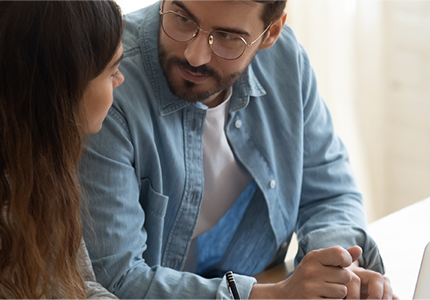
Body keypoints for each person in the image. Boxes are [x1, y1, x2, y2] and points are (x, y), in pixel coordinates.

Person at [77, 0, 398, 299]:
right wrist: (272, 295)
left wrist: (338, 270)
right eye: (182, 18)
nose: (195, 54)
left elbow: (329, 194)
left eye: (228, 37)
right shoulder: (107, 84)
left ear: (270, 33)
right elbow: (116, 279)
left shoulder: (286, 61)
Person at [0, 0, 125, 299]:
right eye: (112, 70)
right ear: (64, 86)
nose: (120, 80)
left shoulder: (38, 168)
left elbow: (79, 287)